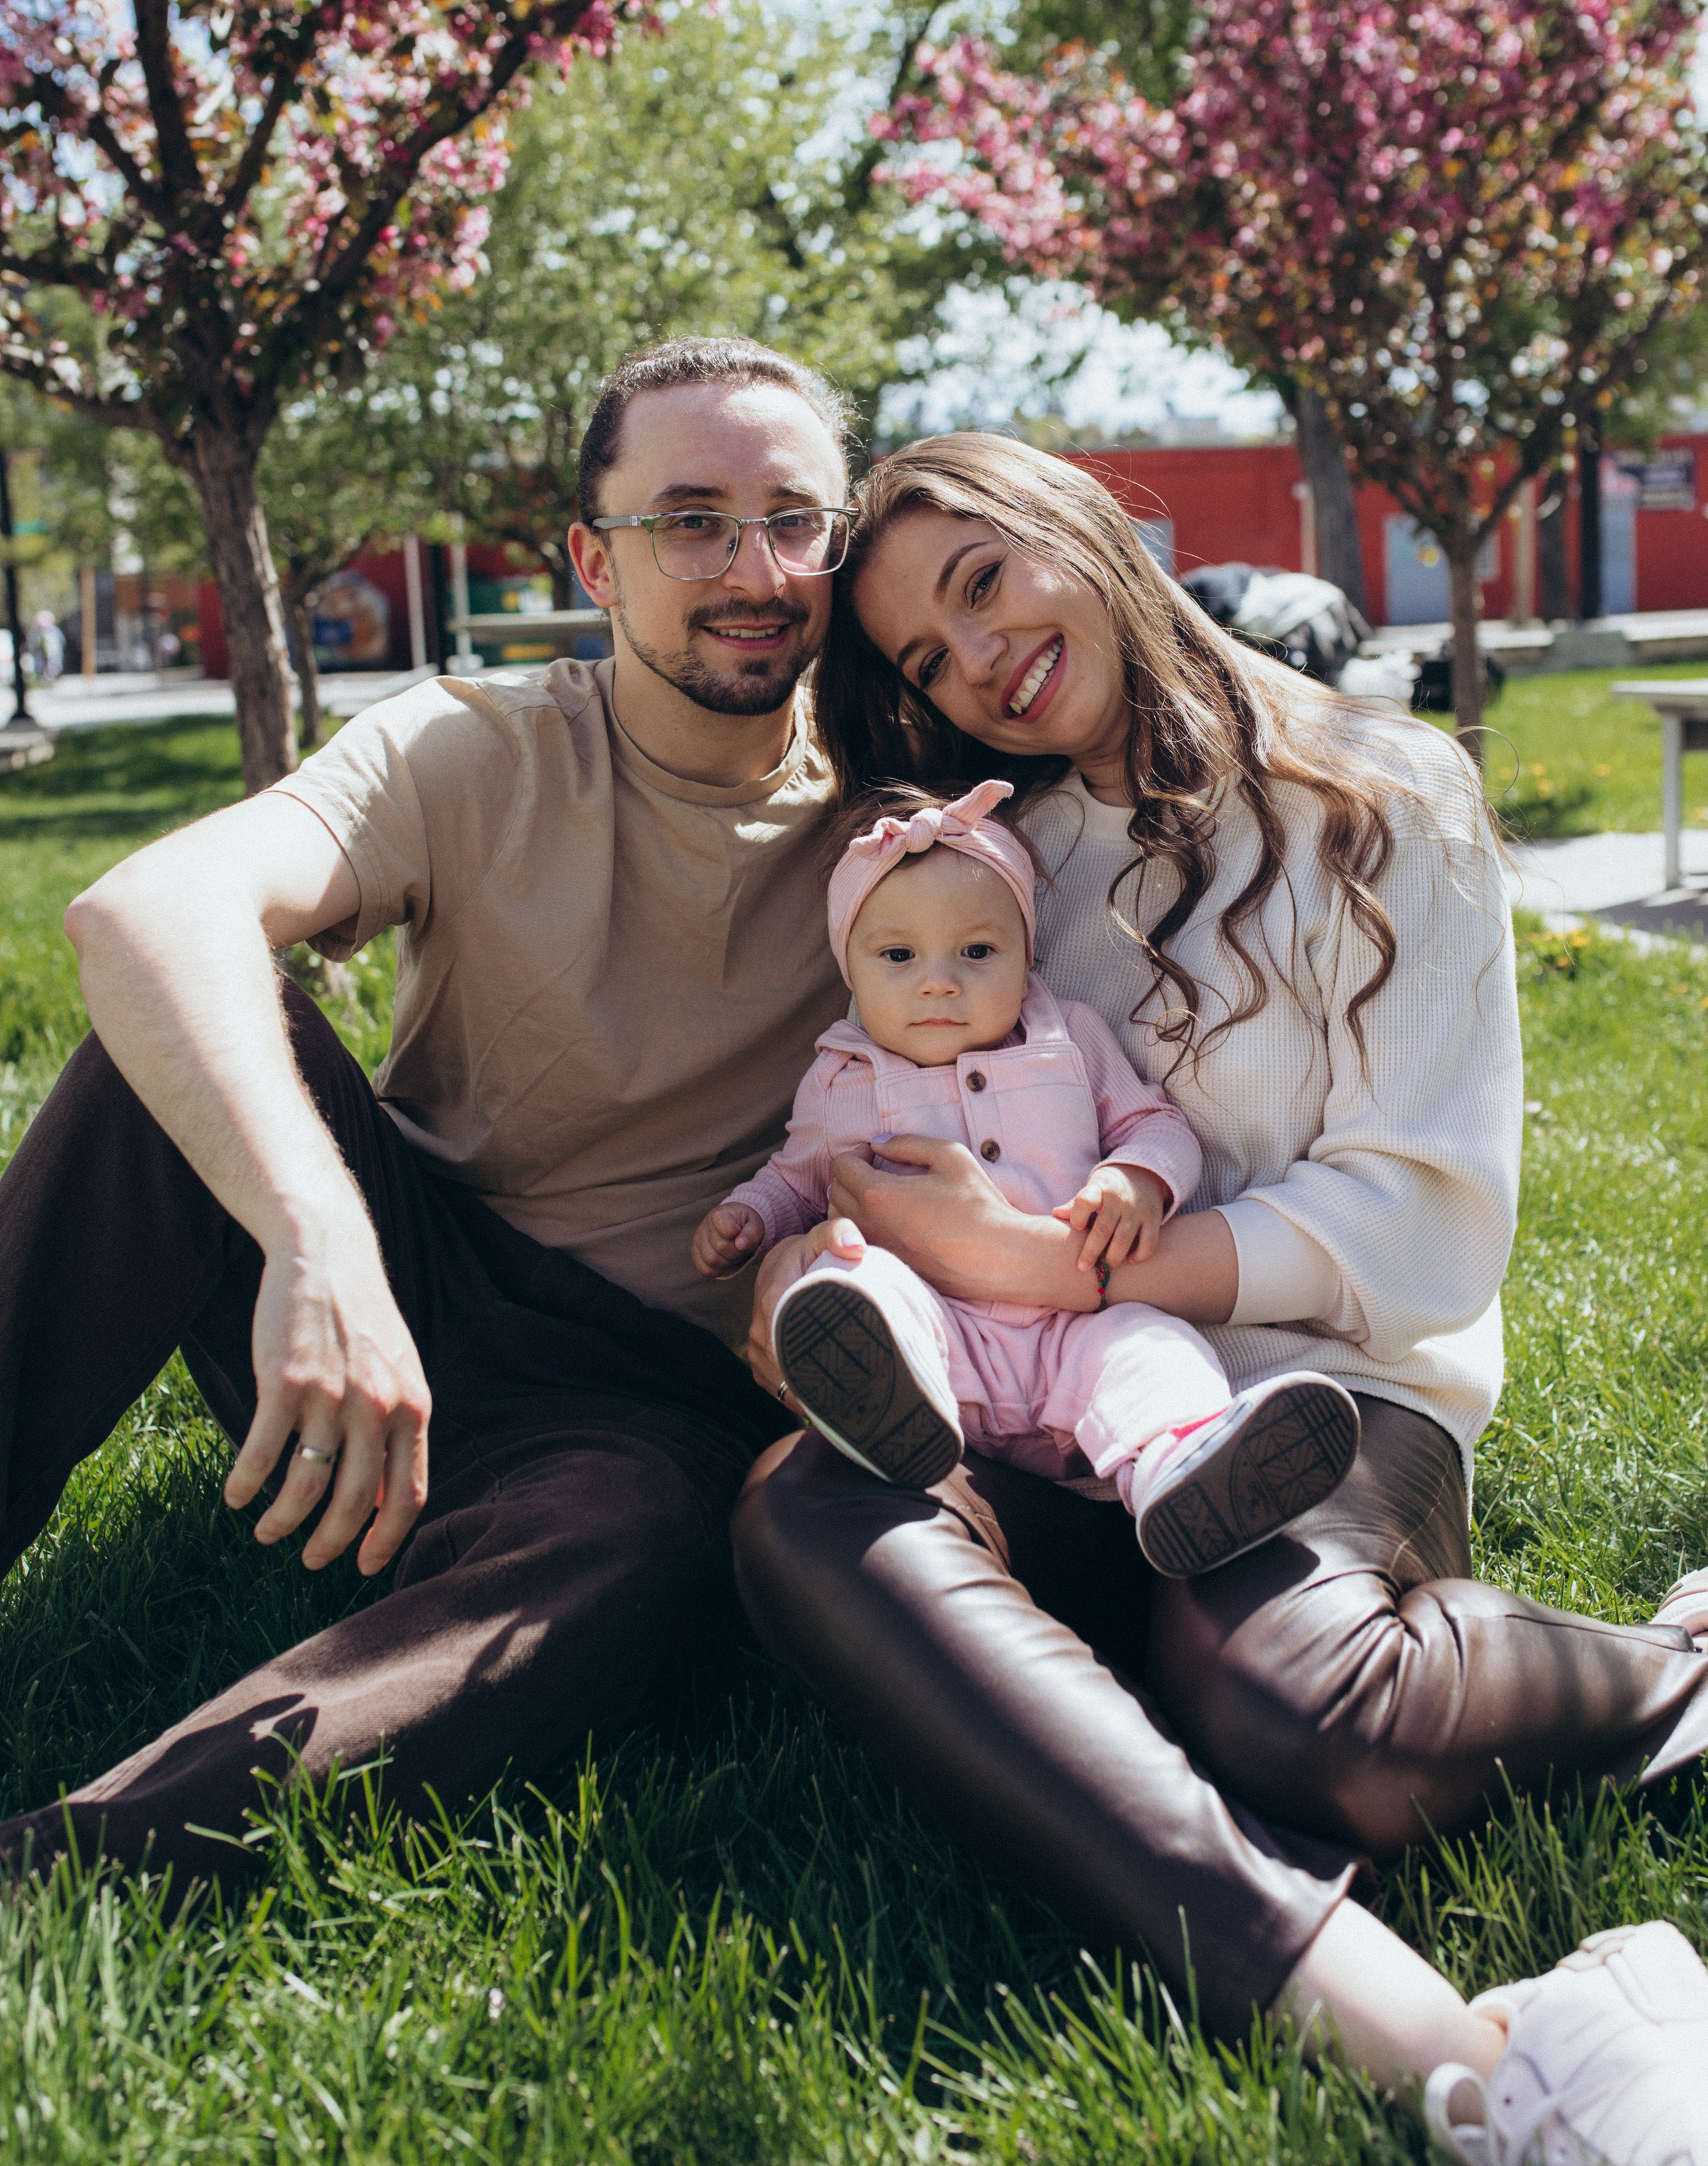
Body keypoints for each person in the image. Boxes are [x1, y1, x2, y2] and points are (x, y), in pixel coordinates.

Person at [731, 433, 1708, 2159]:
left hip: (1309, 1404)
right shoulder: (995, 870)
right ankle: (1417, 2036)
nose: (983, 665)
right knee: (809, 1511)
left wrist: (1052, 1256)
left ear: (1083, 523)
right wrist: (834, 1247)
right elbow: (898, 1108)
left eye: (983, 583)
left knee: (1296, 1704)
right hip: (1025, 1390)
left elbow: (1425, 1215)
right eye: (927, 661)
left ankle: (1668, 1669)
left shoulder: (1384, 796)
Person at [0, 335, 857, 1889]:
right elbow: (147, 909)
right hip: (411, 1271)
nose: (753, 566)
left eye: (794, 517)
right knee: (172, 1039)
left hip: (653, 1394)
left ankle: (74, 1868)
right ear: (595, 557)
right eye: (689, 518)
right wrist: (317, 1236)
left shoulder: (915, 793)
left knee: (641, 1543)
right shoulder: (479, 739)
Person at [697, 775, 1362, 1573]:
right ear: (851, 969)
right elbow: (796, 1176)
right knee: (863, 1283)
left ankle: (1183, 1467)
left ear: (1026, 952)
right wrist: (752, 1216)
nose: (939, 980)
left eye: (977, 951)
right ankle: (895, 1414)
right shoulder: (840, 1079)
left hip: (1070, 1330)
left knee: (1147, 1344)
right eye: (899, 956)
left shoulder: (1067, 1035)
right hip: (945, 1335)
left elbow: (1153, 1125)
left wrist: (1138, 1180)